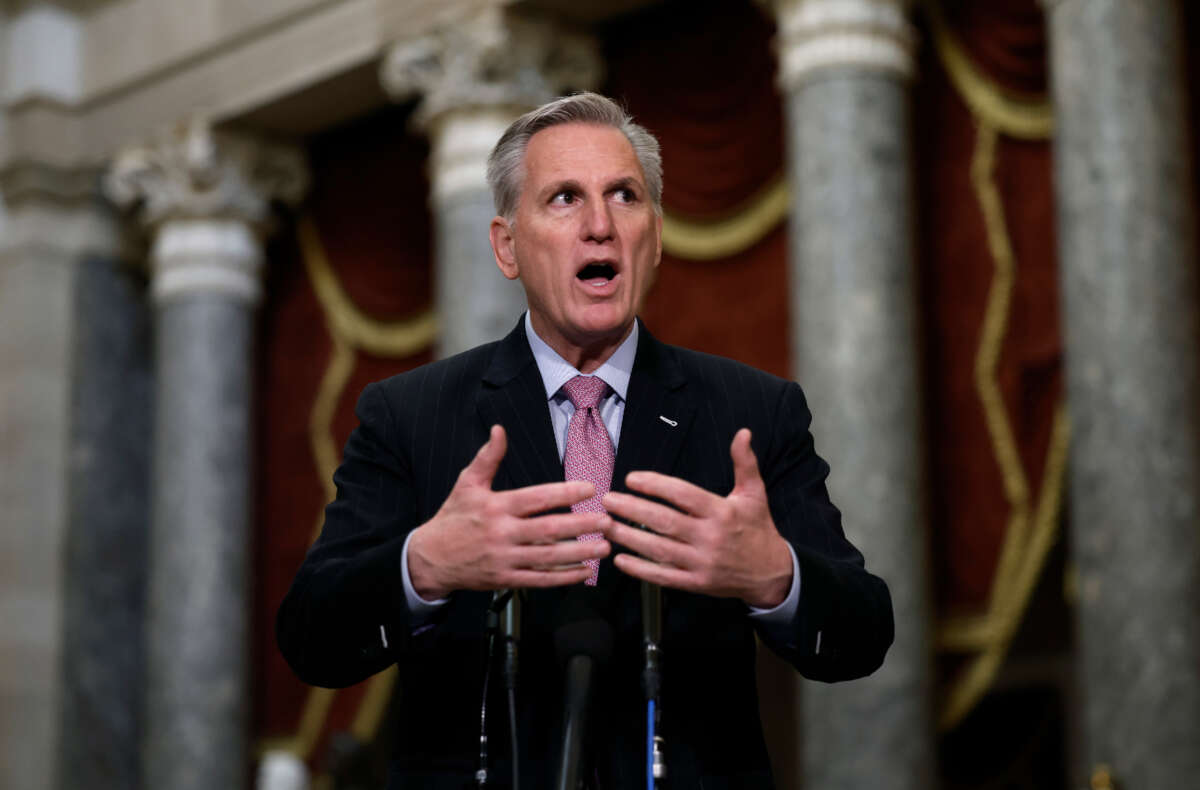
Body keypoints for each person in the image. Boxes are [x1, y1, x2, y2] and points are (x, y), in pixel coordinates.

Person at [277, 92, 892, 789]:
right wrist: (425, 564)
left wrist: (774, 575)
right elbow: (310, 640)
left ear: (654, 237)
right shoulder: (409, 415)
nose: (599, 225)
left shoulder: (753, 411)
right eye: (565, 198)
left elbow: (862, 636)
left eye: (624, 196)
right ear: (508, 246)